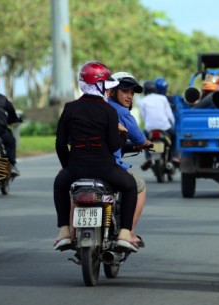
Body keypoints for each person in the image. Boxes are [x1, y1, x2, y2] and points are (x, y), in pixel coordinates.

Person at [53, 61, 139, 252]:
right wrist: (123, 135)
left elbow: (60, 144)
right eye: (106, 87)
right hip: (105, 169)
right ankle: (125, 233)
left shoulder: (69, 108)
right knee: (131, 186)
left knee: (59, 184)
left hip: (76, 168)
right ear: (100, 86)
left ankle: (64, 232)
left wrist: (68, 166)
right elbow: (113, 145)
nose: (109, 91)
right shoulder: (108, 110)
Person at [108, 71, 151, 247]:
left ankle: (69, 231)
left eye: (132, 93)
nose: (129, 96)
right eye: (125, 91)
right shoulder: (121, 112)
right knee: (139, 186)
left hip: (80, 164)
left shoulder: (95, 107)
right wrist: (146, 143)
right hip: (108, 166)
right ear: (112, 90)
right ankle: (129, 232)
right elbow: (139, 139)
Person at [140, 80, 176, 170]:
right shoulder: (163, 98)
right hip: (164, 126)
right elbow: (170, 115)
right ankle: (173, 156)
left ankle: (148, 157)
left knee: (144, 140)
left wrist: (149, 124)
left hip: (149, 128)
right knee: (174, 136)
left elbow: (143, 116)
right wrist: (173, 124)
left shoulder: (143, 101)